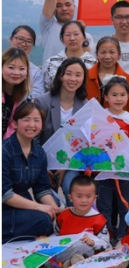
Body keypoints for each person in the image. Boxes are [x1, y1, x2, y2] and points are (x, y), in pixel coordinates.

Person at [2, 100, 61, 243]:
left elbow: (42, 189)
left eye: (36, 120)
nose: (32, 125)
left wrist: (55, 211)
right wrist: (40, 207)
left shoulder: (39, 153)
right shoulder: (4, 151)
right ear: (15, 123)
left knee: (54, 209)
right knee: (42, 220)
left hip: (21, 205)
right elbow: (5, 194)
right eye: (26, 120)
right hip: (4, 206)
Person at [35, 58, 88, 201]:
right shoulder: (43, 101)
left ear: (83, 79)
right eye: (68, 74)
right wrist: (43, 165)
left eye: (78, 75)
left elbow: (85, 141)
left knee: (71, 188)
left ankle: (73, 221)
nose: (73, 79)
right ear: (60, 76)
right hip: (44, 160)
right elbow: (34, 138)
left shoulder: (85, 106)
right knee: (49, 196)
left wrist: (66, 165)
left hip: (73, 162)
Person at [97, 77, 129, 243]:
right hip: (104, 171)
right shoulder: (100, 117)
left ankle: (123, 235)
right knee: (104, 205)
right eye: (114, 95)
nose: (119, 99)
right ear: (106, 97)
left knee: (125, 205)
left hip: (125, 171)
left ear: (128, 97)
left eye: (122, 95)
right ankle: (106, 235)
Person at [51, 175, 111, 268]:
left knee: (82, 245)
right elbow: (55, 236)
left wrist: (93, 242)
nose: (84, 200)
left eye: (88, 196)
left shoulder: (99, 220)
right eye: (79, 196)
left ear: (94, 198)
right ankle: (73, 264)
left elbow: (106, 244)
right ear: (70, 197)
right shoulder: (63, 216)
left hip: (89, 252)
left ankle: (74, 265)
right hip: (65, 250)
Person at [85, 37, 129, 116]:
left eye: (112, 52)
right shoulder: (85, 77)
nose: (107, 56)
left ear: (119, 54)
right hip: (88, 125)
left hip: (117, 126)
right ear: (96, 54)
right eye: (103, 52)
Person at [41, 20, 97, 91]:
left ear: (84, 38)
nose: (72, 38)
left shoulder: (94, 63)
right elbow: (46, 89)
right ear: (62, 39)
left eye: (76, 34)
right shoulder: (51, 63)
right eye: (68, 35)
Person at [9, 25, 44, 99]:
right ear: (10, 39)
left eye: (29, 41)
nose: (24, 44)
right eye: (20, 39)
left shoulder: (36, 72)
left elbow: (38, 95)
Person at [3, 48, 30, 139]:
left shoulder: (23, 98)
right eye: (11, 67)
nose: (16, 73)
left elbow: (13, 126)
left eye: (21, 69)